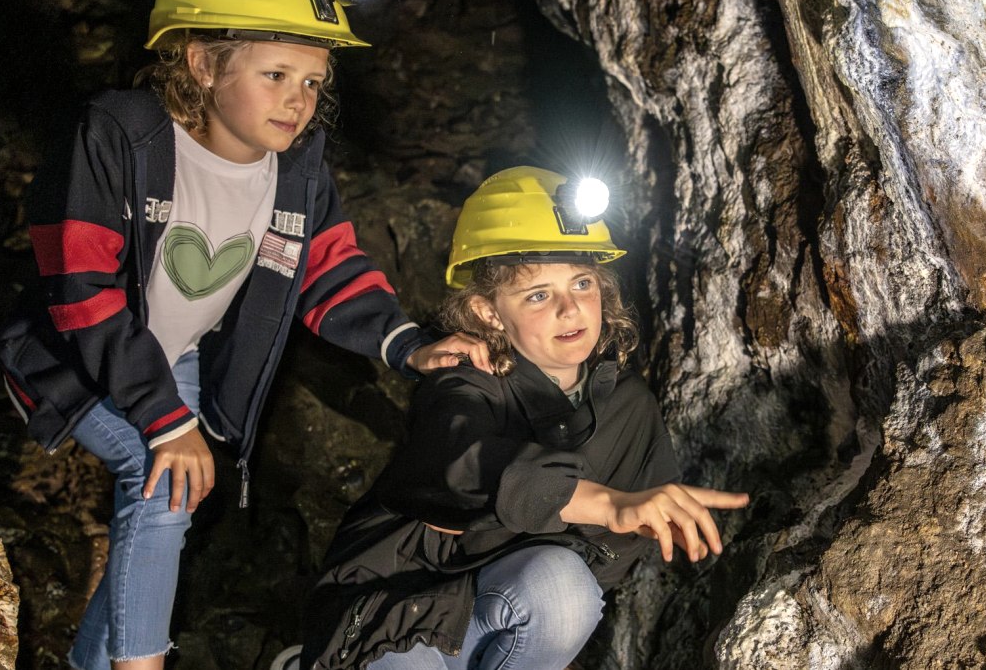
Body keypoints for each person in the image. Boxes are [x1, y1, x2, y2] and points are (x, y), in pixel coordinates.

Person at [0, 0, 489, 669]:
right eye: (276, 75)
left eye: (313, 82)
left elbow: (328, 264)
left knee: (165, 510)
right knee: (161, 475)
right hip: (70, 352)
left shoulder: (297, 164)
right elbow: (82, 294)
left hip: (179, 356)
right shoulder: (120, 133)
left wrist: (408, 344)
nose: (298, 101)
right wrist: (169, 421)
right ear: (201, 64)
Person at [299, 166, 750, 670]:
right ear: (489, 313)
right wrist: (602, 504)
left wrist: (632, 523)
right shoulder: (466, 380)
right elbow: (459, 459)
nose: (570, 308)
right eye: (538, 294)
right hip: (392, 611)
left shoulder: (628, 404)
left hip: (490, 613)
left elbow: (603, 566)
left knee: (565, 587)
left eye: (582, 283)